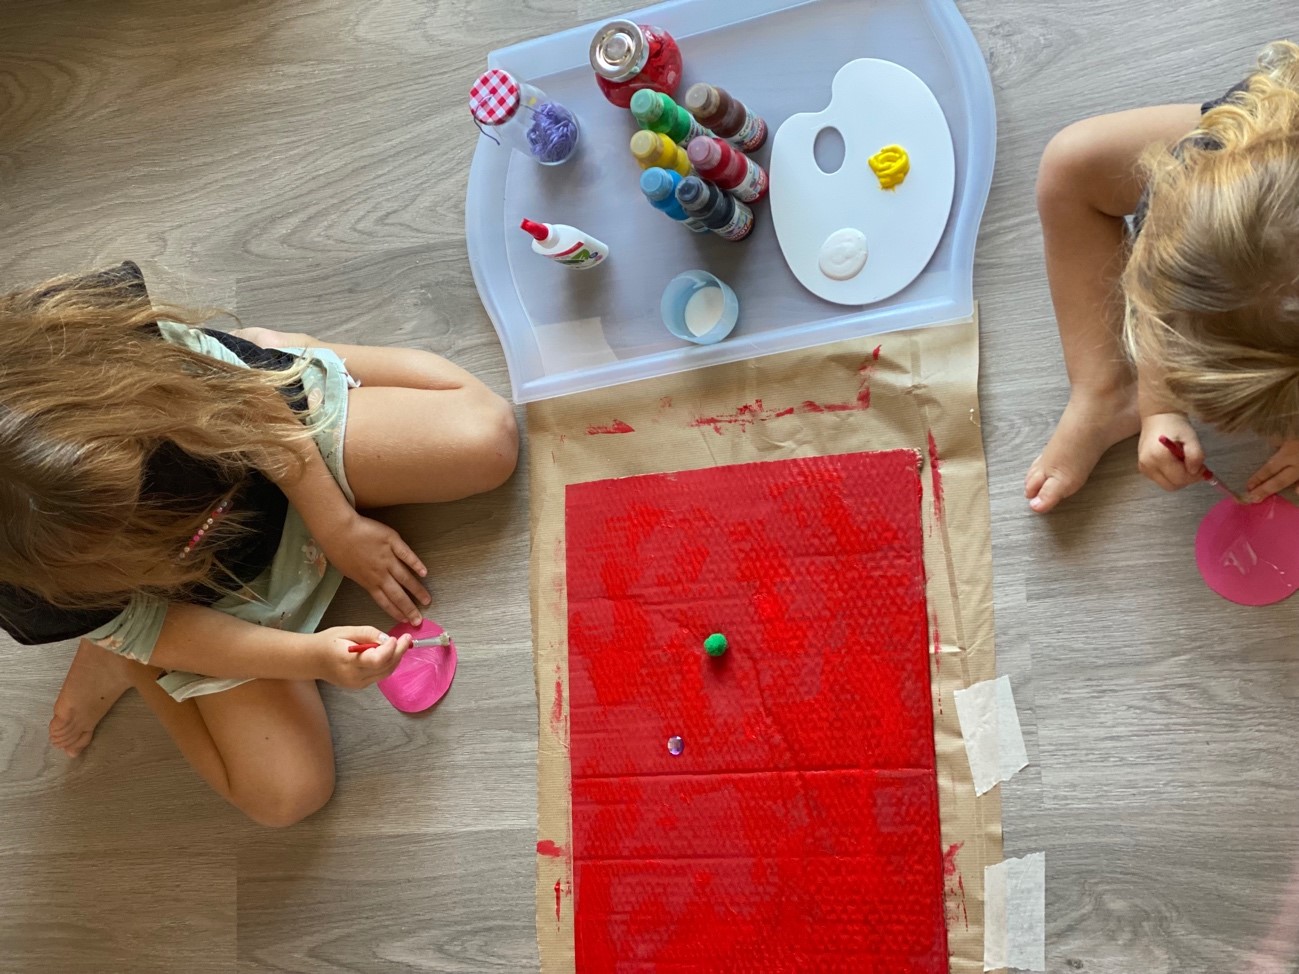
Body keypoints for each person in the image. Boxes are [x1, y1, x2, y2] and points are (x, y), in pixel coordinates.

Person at [1, 262, 518, 826]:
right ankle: (125, 655)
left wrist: (337, 525)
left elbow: (251, 408)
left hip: (273, 446)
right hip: (199, 598)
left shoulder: (97, 349)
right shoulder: (29, 580)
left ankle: (289, 348)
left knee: (486, 439)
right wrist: (311, 659)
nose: (151, 512)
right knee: (284, 797)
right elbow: (173, 631)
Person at [1025, 40, 1299, 513]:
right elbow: (1166, 285)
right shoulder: (1194, 178)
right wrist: (1159, 405)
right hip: (1263, 128)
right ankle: (1105, 393)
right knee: (1071, 164)